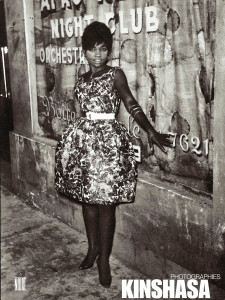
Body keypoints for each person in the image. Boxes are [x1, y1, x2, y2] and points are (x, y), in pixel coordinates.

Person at [55, 21, 172, 288]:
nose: (98, 54)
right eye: (92, 49)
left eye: (103, 49)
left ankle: (104, 260)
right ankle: (92, 248)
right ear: (84, 51)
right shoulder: (81, 80)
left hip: (108, 144)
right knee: (87, 201)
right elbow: (79, 113)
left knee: (106, 203)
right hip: (85, 145)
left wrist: (149, 130)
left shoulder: (115, 74)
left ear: (108, 52)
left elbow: (131, 104)